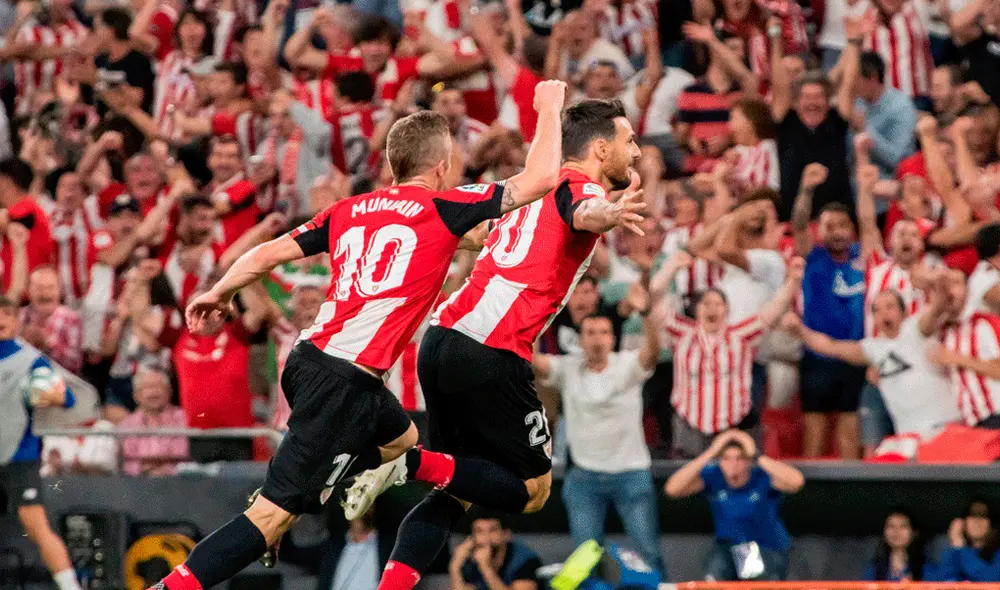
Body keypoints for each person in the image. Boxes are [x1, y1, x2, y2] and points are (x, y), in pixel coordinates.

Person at [144, 79, 567, 590]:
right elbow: (541, 177)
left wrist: (220, 291)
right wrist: (547, 104)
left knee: (404, 442)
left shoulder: (348, 210)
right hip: (344, 381)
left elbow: (268, 252)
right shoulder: (445, 207)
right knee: (271, 521)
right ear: (440, 166)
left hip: (313, 363)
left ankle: (313, 482)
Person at [346, 98, 648, 590]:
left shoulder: (525, 191)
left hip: (443, 339)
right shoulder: (579, 184)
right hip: (491, 350)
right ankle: (407, 461)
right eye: (628, 140)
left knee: (453, 490)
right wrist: (607, 213)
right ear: (599, 147)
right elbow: (585, 210)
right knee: (532, 490)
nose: (635, 152)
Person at [532, 307, 664, 574]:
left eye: (603, 332)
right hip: (585, 479)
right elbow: (531, 359)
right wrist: (536, 316)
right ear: (580, 340)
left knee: (648, 553)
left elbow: (652, 354)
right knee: (584, 560)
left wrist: (647, 314)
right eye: (590, 333)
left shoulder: (627, 364)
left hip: (631, 474)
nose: (597, 339)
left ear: (612, 338)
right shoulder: (568, 368)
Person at [651, 251, 804, 457]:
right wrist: (670, 267)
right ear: (697, 309)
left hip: (733, 425)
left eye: (718, 304)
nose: (711, 309)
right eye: (706, 304)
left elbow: (775, 309)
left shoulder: (741, 335)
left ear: (727, 310)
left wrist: (793, 280)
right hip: (689, 425)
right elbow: (652, 300)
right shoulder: (681, 333)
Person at [783, 289, 960, 446]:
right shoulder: (873, 348)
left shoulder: (915, 329)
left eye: (890, 307)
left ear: (903, 311)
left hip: (947, 427)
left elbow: (933, 314)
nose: (884, 314)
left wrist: (940, 297)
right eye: (876, 310)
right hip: (910, 438)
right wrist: (800, 330)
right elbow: (831, 346)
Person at [0, 296, 84, 590]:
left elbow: (67, 398)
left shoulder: (30, 360)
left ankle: (70, 586)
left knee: (35, 524)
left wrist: (46, 392)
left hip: (20, 457)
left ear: (15, 320)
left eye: (7, 314)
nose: (2, 320)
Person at [792, 163, 867, 458]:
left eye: (842, 225)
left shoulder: (865, 255)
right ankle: (812, 498)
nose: (837, 232)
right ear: (819, 231)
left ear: (852, 229)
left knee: (850, 430)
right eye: (829, 226)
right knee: (815, 431)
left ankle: (853, 496)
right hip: (816, 358)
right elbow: (798, 222)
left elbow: (869, 221)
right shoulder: (813, 256)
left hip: (855, 355)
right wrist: (807, 189)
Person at [664, 429, 804, 581]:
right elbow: (672, 489)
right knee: (713, 578)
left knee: (759, 581)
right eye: (726, 459)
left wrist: (757, 455)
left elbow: (796, 482)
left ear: (749, 461)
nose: (733, 465)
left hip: (765, 547)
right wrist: (710, 453)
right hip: (728, 549)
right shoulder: (714, 475)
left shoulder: (761, 475)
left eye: (740, 458)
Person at [119, 368, 189, 476]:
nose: (153, 392)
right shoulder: (128, 424)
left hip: (177, 481)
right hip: (137, 483)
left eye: (158, 386)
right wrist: (146, 469)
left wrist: (163, 469)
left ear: (169, 392)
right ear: (136, 396)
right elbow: (127, 462)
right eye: (147, 388)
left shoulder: (183, 418)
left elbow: (181, 454)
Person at [448, 514, 542, 590]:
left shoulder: (526, 560)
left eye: (493, 530)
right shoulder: (470, 562)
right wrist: (455, 567)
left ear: (506, 534)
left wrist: (486, 567)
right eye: (479, 531)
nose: (486, 537)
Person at [937, 499, 1000, 582]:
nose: (977, 521)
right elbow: (943, 581)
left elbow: (991, 579)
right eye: (973, 514)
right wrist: (956, 544)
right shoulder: (953, 550)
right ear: (963, 522)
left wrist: (961, 549)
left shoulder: (997, 553)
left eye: (983, 515)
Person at [865, 509, 929, 581]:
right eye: (891, 526)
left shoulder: (926, 570)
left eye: (903, 526)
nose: (896, 531)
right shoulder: (874, 571)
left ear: (913, 533)